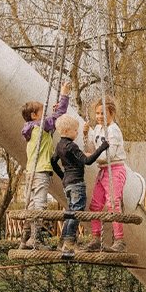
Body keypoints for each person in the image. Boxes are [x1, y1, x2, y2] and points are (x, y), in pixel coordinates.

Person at [19, 82, 71, 249]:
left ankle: (25, 239)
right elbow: (60, 116)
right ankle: (35, 238)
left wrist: (53, 114)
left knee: (31, 204)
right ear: (34, 115)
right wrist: (64, 94)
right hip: (41, 171)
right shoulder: (41, 127)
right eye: (42, 113)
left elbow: (53, 120)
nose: (45, 116)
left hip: (30, 172)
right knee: (40, 204)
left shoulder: (30, 129)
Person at [51, 114, 109, 253]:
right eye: (75, 130)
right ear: (66, 131)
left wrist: (63, 176)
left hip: (67, 183)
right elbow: (87, 161)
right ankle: (70, 242)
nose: (76, 133)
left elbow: (53, 161)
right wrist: (102, 148)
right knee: (76, 212)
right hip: (77, 182)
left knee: (71, 212)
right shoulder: (71, 146)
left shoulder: (59, 145)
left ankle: (63, 241)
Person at [84, 95, 128, 252]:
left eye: (103, 113)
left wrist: (92, 156)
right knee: (95, 205)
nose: (99, 117)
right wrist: (85, 134)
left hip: (114, 169)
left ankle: (119, 240)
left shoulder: (114, 131)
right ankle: (96, 238)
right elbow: (92, 145)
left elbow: (106, 156)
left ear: (112, 113)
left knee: (113, 204)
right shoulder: (98, 129)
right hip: (103, 171)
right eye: (97, 113)